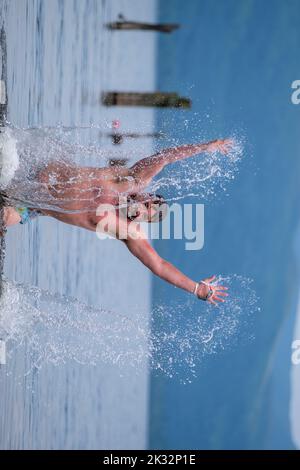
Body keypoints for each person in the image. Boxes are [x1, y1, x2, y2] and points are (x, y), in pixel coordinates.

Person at [1, 138, 233, 304]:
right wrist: (205, 147)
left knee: (4, 217)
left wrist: (195, 288)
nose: (142, 209)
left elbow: (159, 265)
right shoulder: (131, 179)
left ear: (145, 222)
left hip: (32, 206)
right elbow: (166, 158)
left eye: (146, 214)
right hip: (32, 170)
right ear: (146, 195)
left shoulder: (128, 232)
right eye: (147, 203)